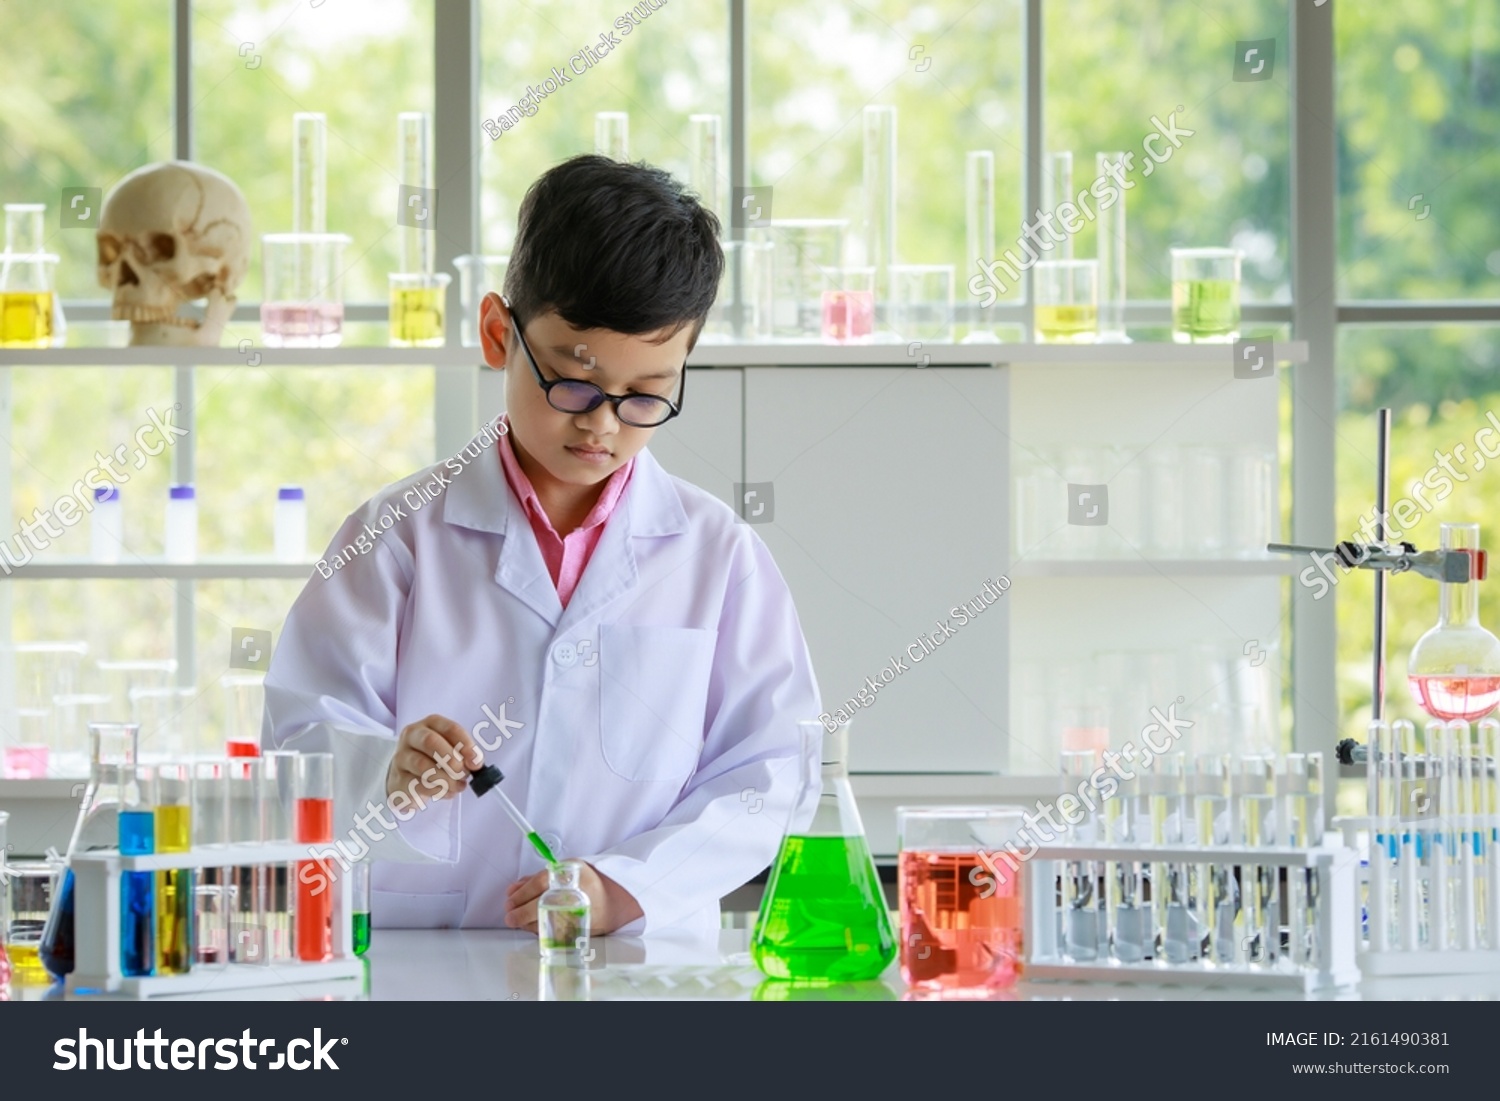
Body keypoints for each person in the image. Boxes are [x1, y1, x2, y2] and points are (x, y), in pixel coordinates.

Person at [263, 155, 821, 937]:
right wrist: (383, 769)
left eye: (647, 394)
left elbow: (769, 773)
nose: (602, 423)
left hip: (638, 968)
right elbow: (297, 737)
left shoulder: (718, 555)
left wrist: (624, 888)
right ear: (499, 334)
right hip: (427, 961)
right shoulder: (395, 537)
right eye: (572, 381)